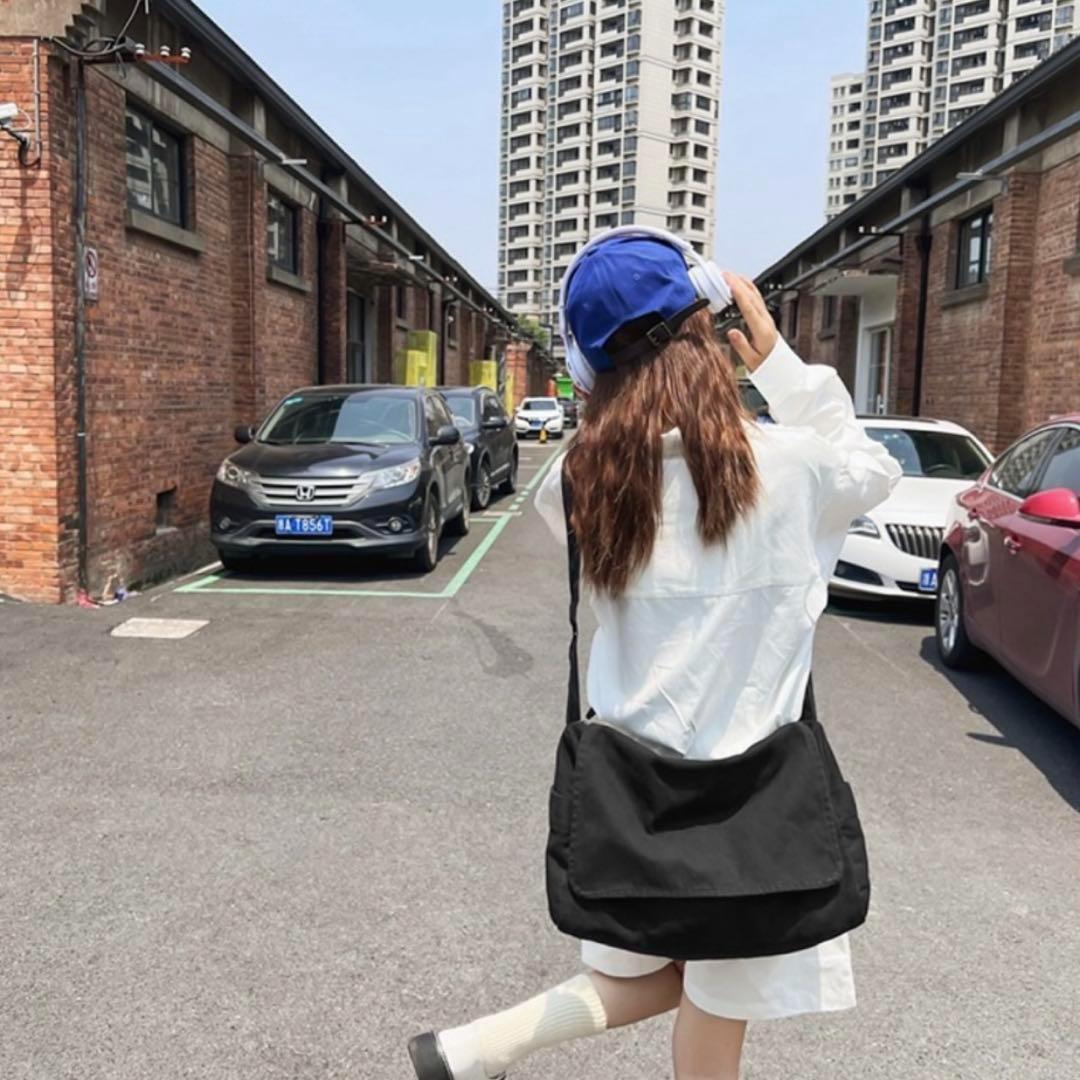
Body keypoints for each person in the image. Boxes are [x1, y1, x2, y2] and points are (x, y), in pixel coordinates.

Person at [407, 232, 900, 1080]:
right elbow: (873, 468)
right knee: (719, 988)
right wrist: (781, 368)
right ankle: (479, 1048)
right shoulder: (795, 469)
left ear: (590, 367)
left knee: (661, 969)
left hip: (636, 800)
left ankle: (477, 1049)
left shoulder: (577, 484)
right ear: (708, 325)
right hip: (760, 800)